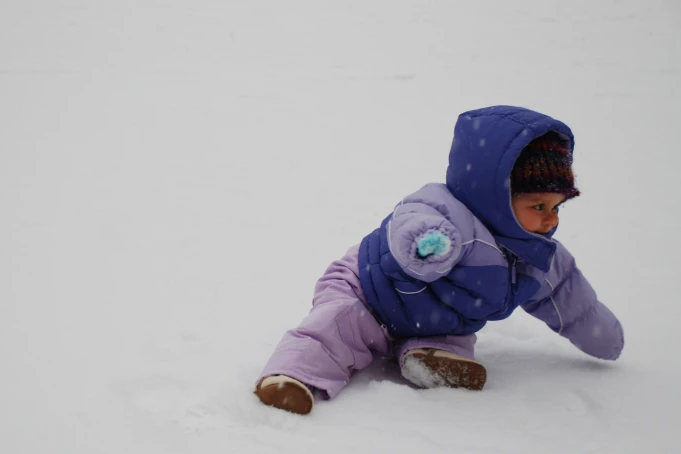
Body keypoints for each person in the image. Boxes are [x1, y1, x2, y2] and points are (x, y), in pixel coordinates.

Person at [254, 105, 624, 415]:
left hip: (432, 319)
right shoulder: (446, 210)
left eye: (557, 207)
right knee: (337, 327)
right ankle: (292, 377)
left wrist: (603, 337)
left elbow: (570, 297)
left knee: (453, 334)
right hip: (369, 292)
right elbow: (412, 222)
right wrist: (429, 246)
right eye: (538, 206)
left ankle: (429, 355)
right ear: (496, 194)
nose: (551, 219)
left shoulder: (538, 257)